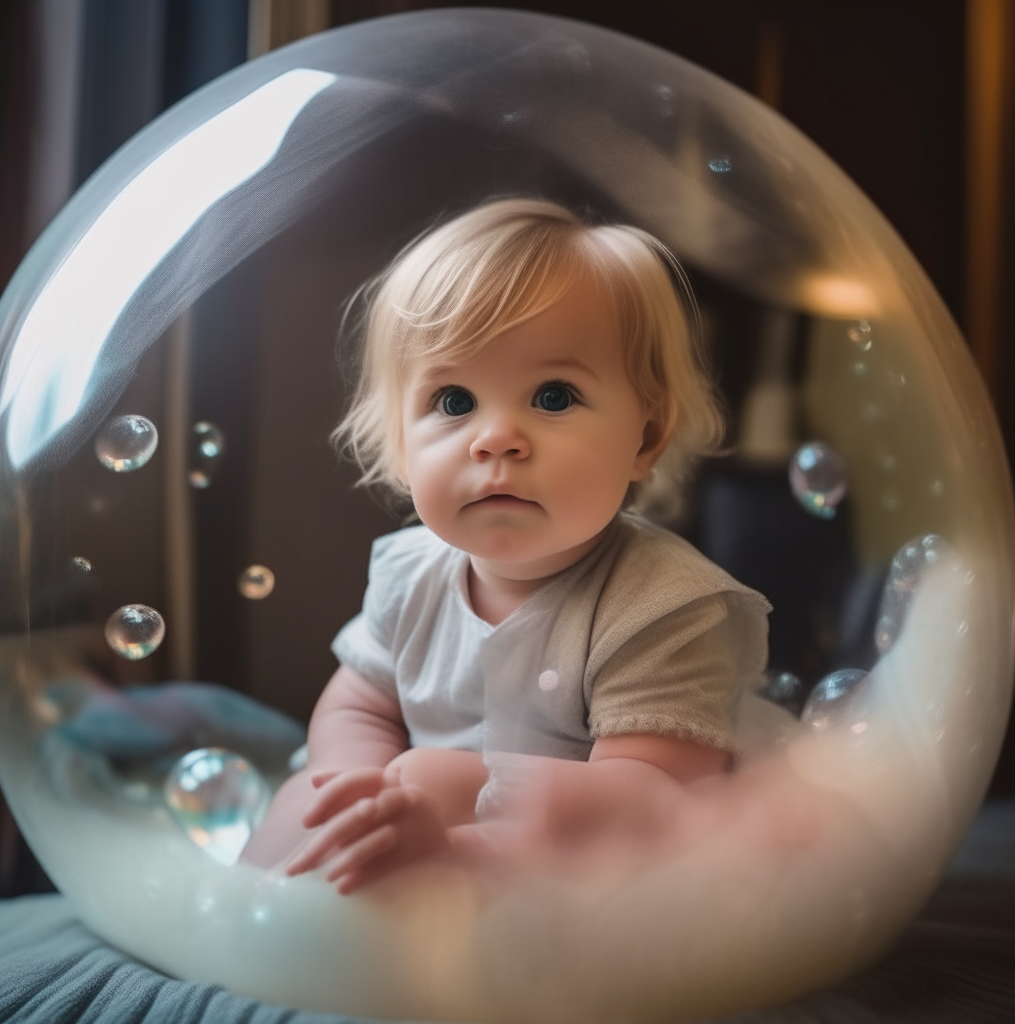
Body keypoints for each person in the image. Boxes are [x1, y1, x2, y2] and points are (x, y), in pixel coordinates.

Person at [241, 198, 770, 891]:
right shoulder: (410, 576)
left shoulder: (667, 607)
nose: (496, 438)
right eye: (454, 402)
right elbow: (358, 705)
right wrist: (360, 788)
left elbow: (656, 804)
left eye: (553, 396)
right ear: (402, 445)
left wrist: (466, 795)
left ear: (644, 438)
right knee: (305, 805)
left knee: (436, 786)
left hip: (603, 873)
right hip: (434, 818)